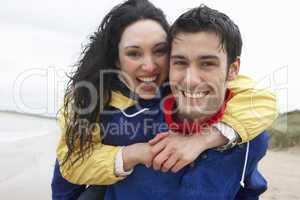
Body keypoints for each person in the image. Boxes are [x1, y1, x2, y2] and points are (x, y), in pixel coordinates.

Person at [51, 0, 277, 199]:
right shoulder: (105, 110)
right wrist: (136, 153)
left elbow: (263, 101)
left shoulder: (251, 137)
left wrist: (202, 139)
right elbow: (70, 167)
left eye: (159, 51)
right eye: (134, 53)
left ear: (232, 70)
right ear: (116, 60)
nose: (150, 66)